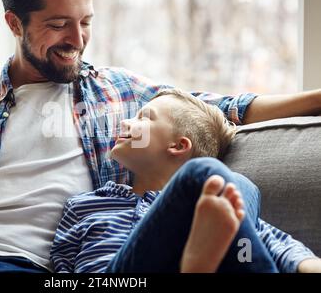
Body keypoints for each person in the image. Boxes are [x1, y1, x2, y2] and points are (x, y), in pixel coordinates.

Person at [0, 0, 321, 273]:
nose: (78, 39)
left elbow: (224, 107)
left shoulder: (121, 95)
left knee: (217, 182)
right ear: (14, 23)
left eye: (85, 21)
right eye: (59, 24)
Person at [50, 89, 318, 273]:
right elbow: (61, 266)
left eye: (143, 117)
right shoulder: (83, 205)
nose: (125, 123)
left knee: (236, 214)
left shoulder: (210, 210)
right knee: (224, 182)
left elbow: (275, 245)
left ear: (178, 146)